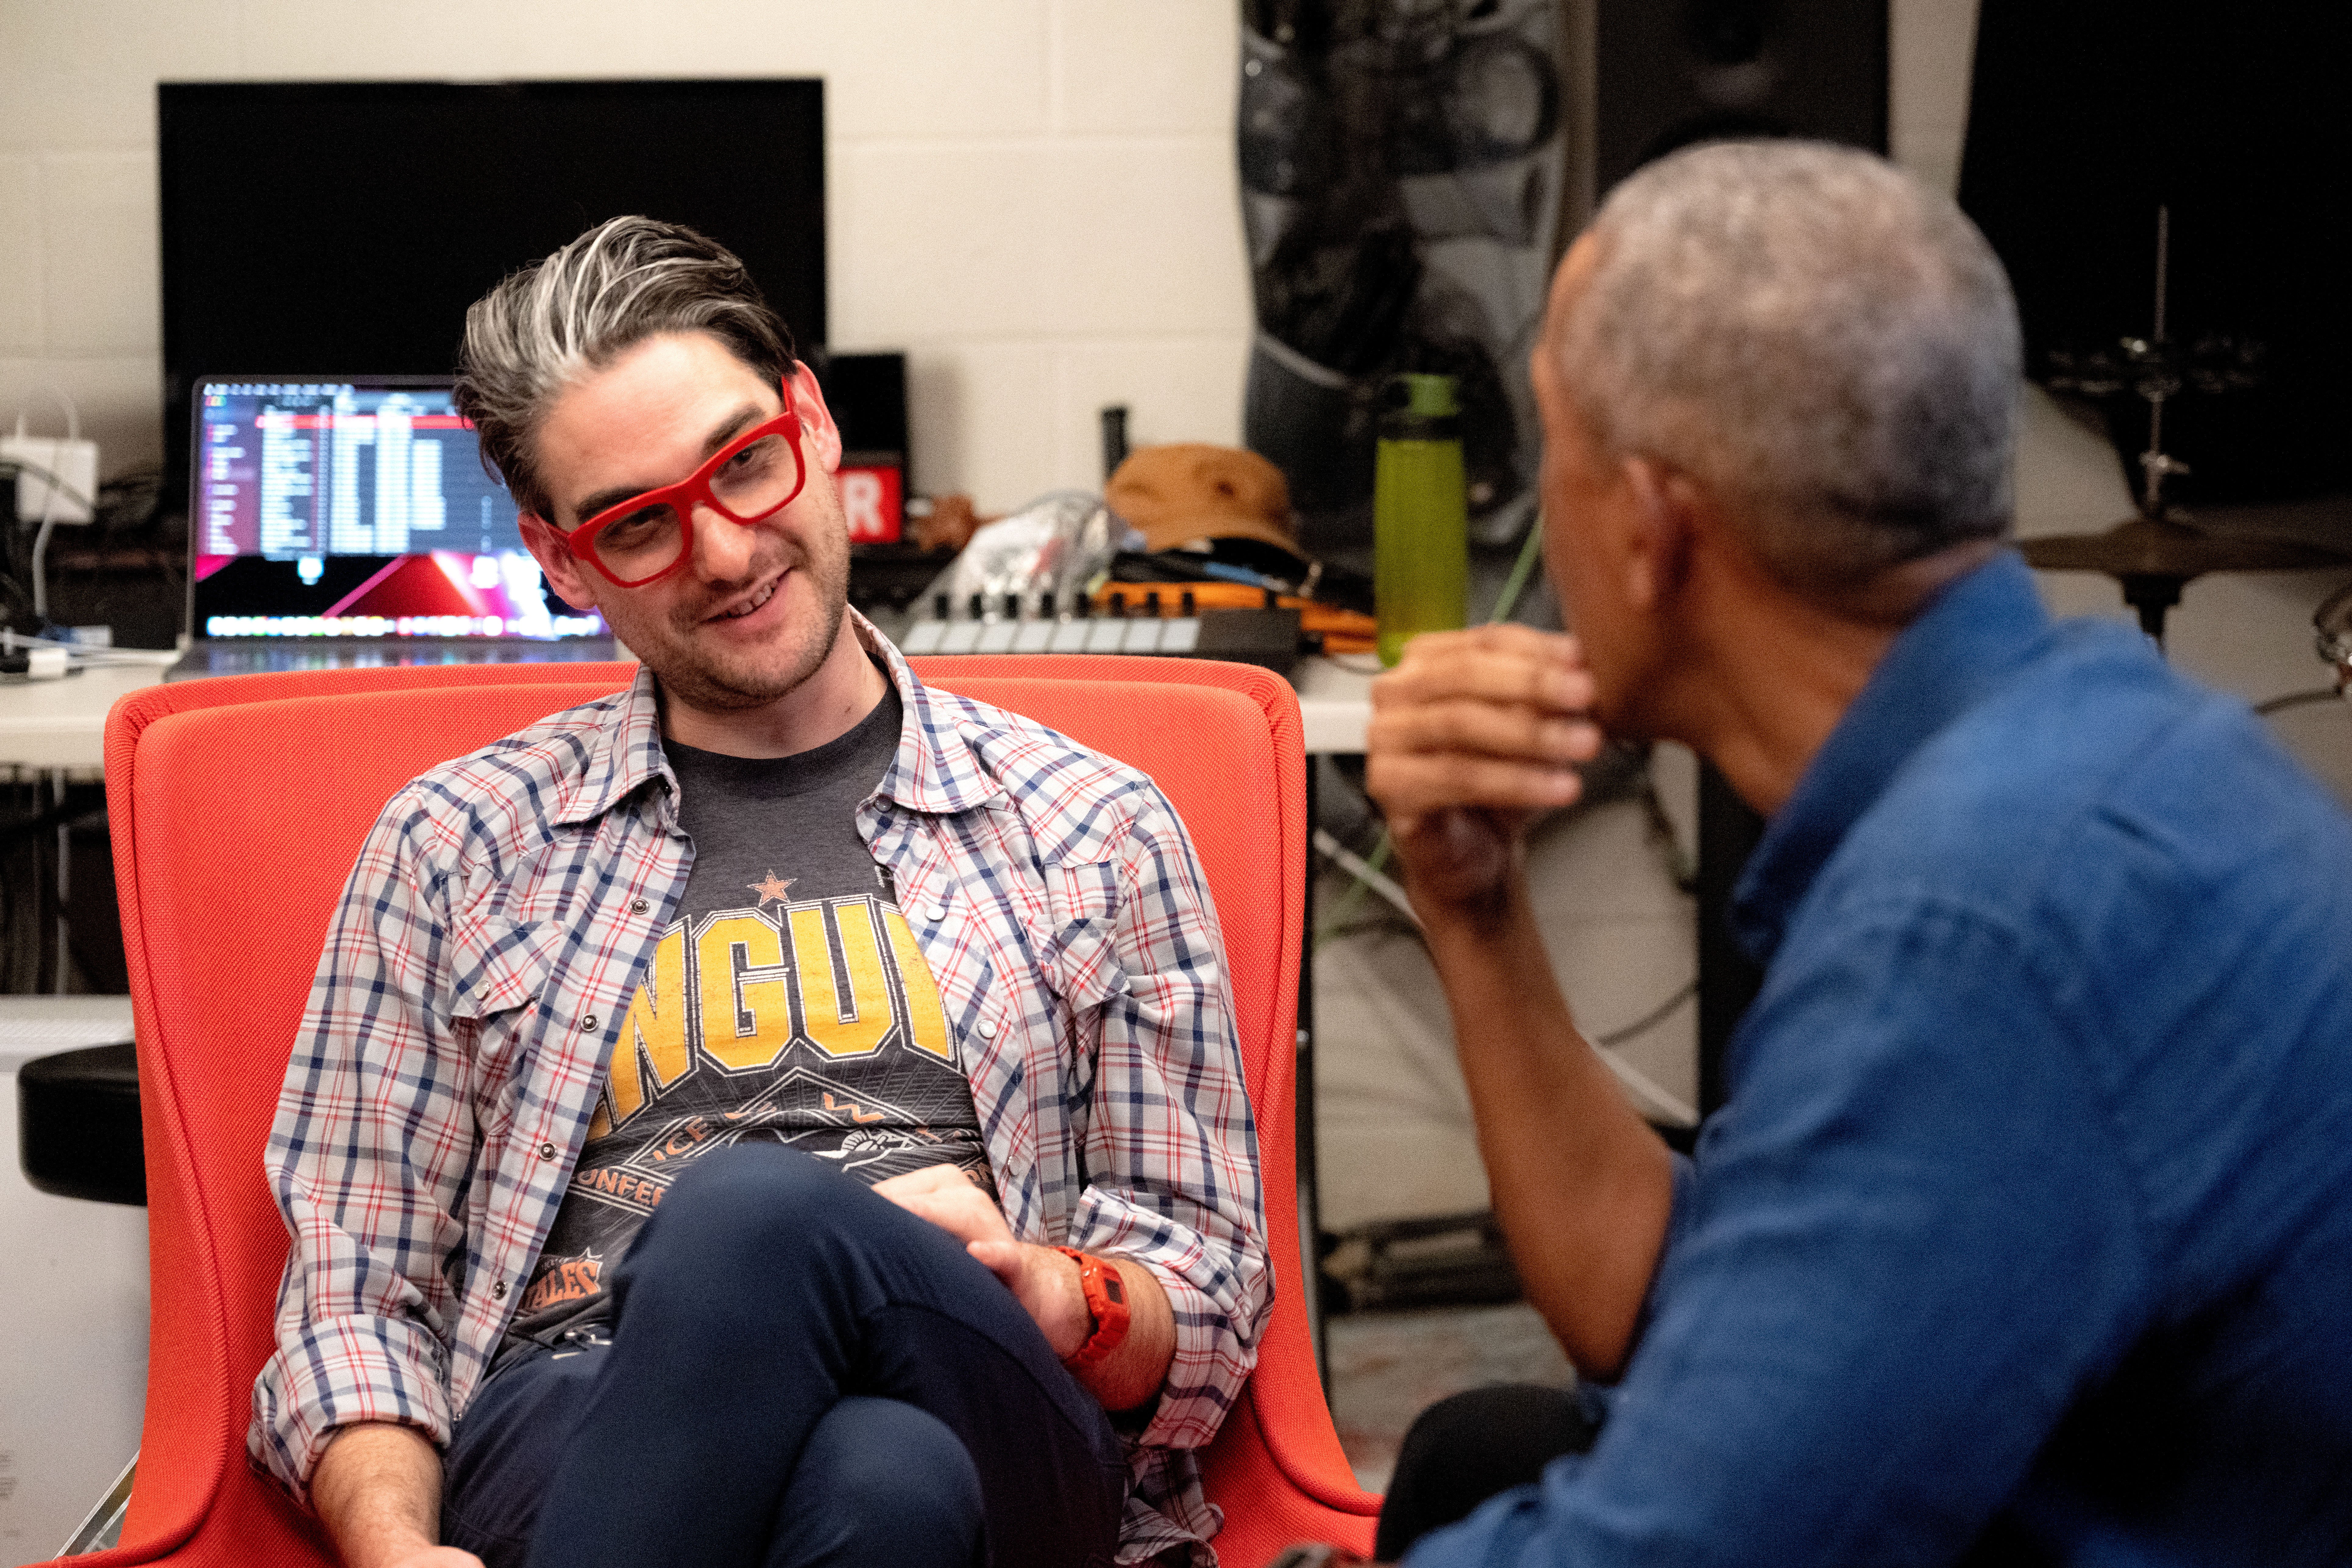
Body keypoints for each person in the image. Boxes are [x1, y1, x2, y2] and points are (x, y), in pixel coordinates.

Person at [1361, 140, 2352, 1564]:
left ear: (1647, 528)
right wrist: (1472, 907)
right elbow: (1662, 1304)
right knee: (1483, 1451)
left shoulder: (1978, 919)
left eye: (1555, 449)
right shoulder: (2092, 754)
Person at [250, 216, 1270, 1568]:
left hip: (989, 1397)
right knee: (882, 1485)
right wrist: (394, 1549)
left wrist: (1059, 1292)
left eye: (744, 465)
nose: (725, 554)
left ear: (813, 424)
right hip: (574, 1405)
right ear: (562, 563)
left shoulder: (1091, 828)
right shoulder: (456, 847)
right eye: (637, 526)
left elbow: (1199, 1303)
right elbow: (354, 1301)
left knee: (754, 1215)